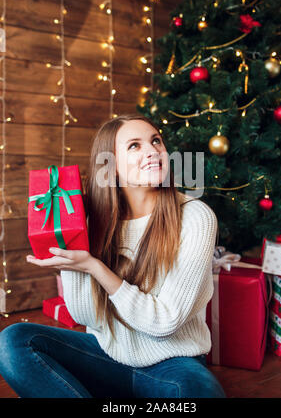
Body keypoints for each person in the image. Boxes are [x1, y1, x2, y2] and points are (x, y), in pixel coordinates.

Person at [0, 113, 226, 398]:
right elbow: (87, 317)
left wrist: (96, 268)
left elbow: (166, 323)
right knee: (14, 342)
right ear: (111, 165)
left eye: (156, 141)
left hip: (174, 365)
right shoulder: (94, 221)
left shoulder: (195, 216)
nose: (152, 151)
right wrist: (73, 261)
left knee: (199, 394)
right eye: (134, 145)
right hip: (106, 357)